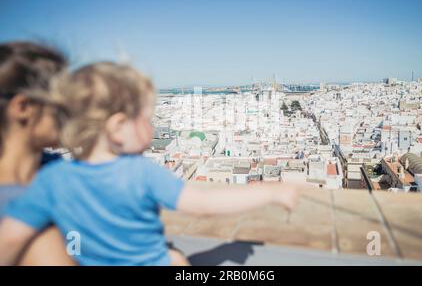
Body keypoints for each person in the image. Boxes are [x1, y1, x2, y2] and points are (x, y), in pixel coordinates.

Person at [0, 62, 300, 266]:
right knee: (177, 259)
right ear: (118, 127)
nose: (154, 128)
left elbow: (12, 236)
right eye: (146, 119)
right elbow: (203, 202)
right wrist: (272, 192)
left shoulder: (52, 178)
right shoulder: (141, 173)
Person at [0, 41, 75, 265]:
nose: (72, 110)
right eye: (63, 101)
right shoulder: (40, 239)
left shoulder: (51, 165)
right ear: (23, 108)